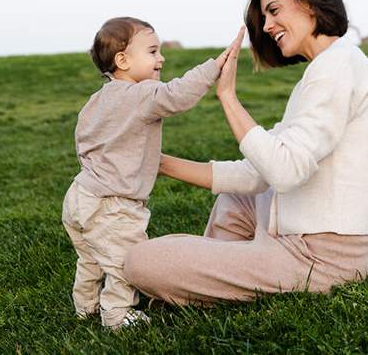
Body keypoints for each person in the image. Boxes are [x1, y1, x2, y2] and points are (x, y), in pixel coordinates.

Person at [123, 0, 368, 305]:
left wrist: (228, 97)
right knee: (239, 197)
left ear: (311, 3)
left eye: (274, 11)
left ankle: (206, 278)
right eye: (264, 17)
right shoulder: (334, 65)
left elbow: (283, 170)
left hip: (327, 255)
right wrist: (159, 163)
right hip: (308, 232)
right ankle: (218, 274)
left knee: (140, 261)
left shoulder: (335, 69)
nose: (266, 26)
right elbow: (258, 172)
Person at [62, 16, 241, 329]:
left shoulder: (98, 99)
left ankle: (85, 306)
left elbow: (84, 140)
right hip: (113, 205)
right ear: (123, 60)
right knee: (122, 261)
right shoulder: (140, 95)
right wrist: (214, 66)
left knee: (90, 258)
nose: (162, 58)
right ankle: (117, 315)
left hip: (80, 195)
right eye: (153, 51)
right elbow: (177, 95)